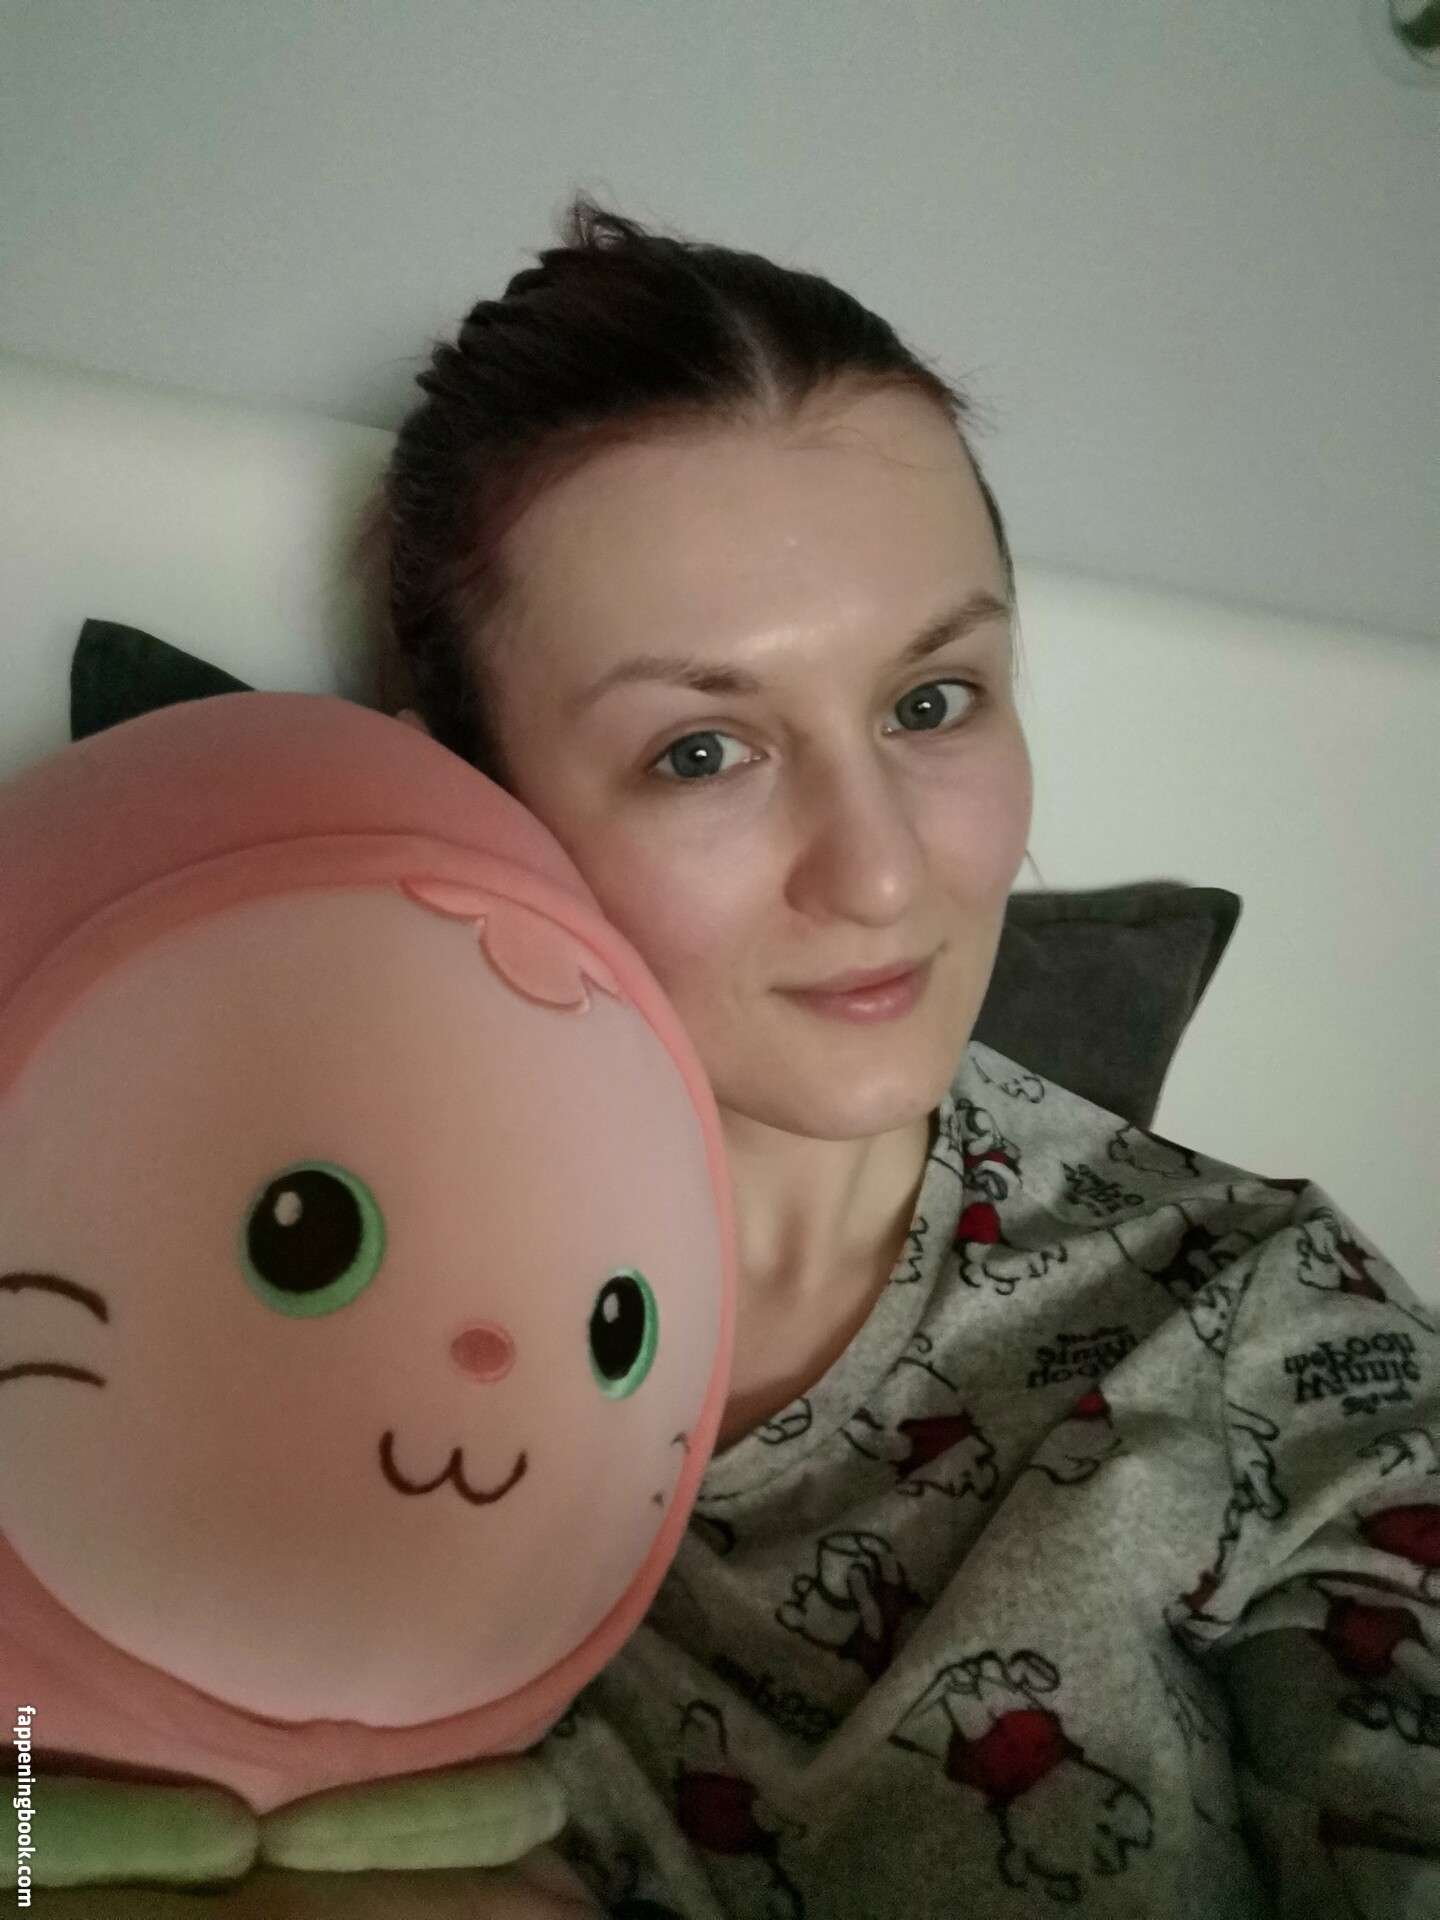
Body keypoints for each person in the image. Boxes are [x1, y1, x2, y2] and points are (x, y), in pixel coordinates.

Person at [120, 200, 1432, 1920]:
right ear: (463, 792)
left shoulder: (1266, 1341)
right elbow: (29, 1774)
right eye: (704, 750)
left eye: (931, 703)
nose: (880, 875)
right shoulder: (238, 1273)